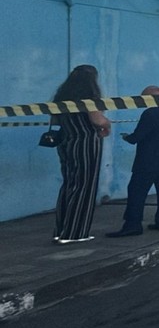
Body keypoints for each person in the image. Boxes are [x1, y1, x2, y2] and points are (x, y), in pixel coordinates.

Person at [106, 86, 159, 237]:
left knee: (136, 192)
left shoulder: (150, 114)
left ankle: (133, 224)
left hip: (149, 160)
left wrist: (127, 137)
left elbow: (137, 137)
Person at [50, 65, 112, 244]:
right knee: (85, 186)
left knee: (69, 184)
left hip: (65, 140)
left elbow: (55, 120)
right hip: (86, 142)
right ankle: (75, 232)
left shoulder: (61, 98)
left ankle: (60, 230)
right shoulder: (89, 98)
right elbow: (97, 120)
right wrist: (107, 125)